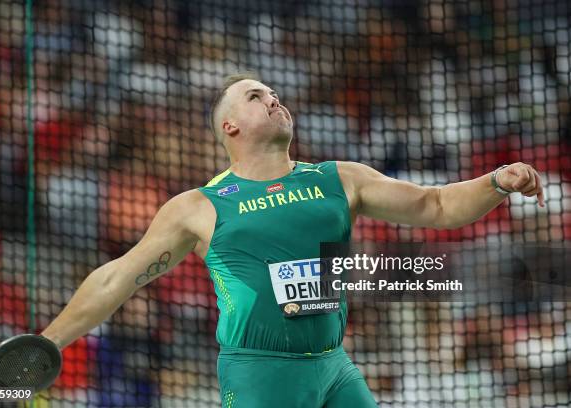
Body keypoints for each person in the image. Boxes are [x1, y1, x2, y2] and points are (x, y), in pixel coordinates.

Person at [41, 73, 545, 407]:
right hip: (261, 374)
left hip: (334, 367)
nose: (273, 97)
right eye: (255, 95)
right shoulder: (199, 206)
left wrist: (497, 181)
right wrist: (47, 344)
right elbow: (116, 278)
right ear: (230, 125)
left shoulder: (338, 178)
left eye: (273, 92)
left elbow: (435, 206)